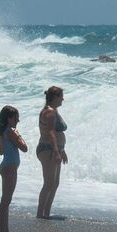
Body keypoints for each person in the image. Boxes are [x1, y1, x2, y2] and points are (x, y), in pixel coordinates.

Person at [36, 85, 68, 220]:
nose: (63, 99)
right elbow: (50, 132)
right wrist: (56, 150)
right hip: (48, 149)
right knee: (49, 183)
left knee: (54, 183)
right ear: (55, 97)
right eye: (61, 96)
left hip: (55, 149)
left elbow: (57, 132)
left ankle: (46, 213)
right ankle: (40, 213)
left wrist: (62, 150)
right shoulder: (49, 112)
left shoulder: (54, 111)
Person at [0, 106, 28, 232]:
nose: (18, 120)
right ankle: (2, 230)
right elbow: (24, 148)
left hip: (6, 166)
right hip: (9, 167)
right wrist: (19, 134)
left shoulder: (2, 132)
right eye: (16, 118)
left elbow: (1, 151)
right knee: (6, 200)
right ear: (9, 119)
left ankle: (4, 229)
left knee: (6, 200)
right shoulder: (10, 132)